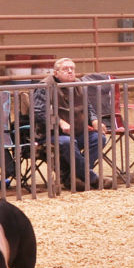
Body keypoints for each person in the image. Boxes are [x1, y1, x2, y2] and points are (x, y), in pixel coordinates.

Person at [32, 57, 108, 191]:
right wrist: (59, 122)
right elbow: (39, 112)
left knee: (99, 138)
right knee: (68, 142)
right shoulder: (44, 86)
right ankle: (91, 178)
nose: (70, 71)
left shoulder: (78, 85)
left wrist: (95, 120)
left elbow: (88, 106)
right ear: (55, 73)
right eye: (65, 69)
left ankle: (73, 177)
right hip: (50, 133)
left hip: (77, 131)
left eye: (72, 69)